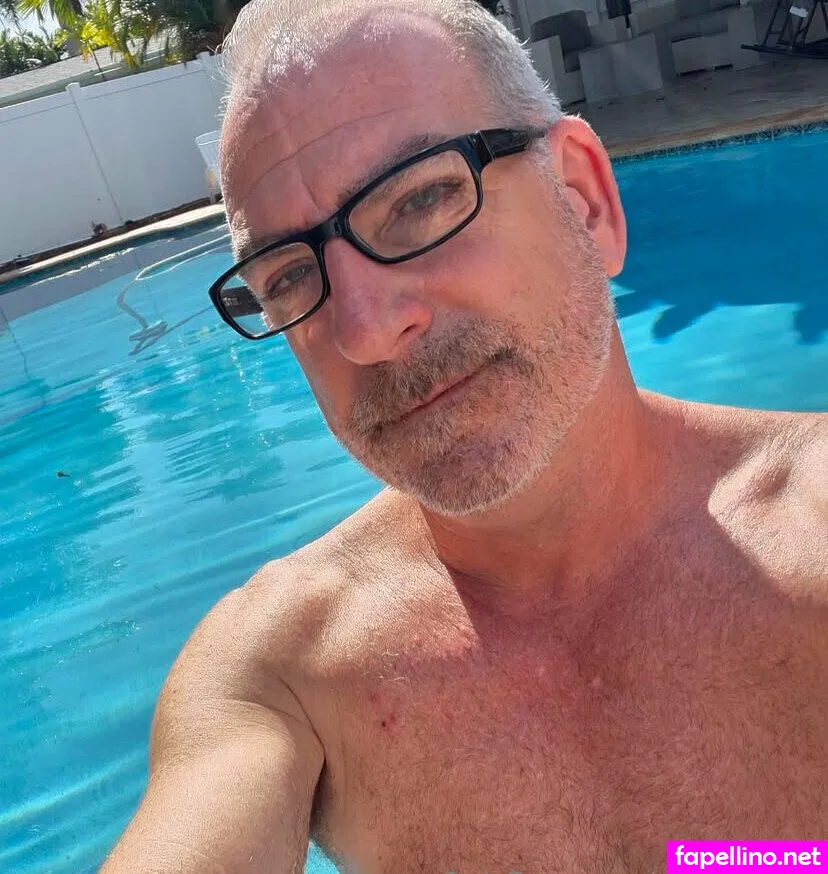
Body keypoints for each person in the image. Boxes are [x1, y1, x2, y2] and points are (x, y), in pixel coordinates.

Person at [102, 1, 828, 871]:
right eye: (289, 276)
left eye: (420, 198)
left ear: (585, 202)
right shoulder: (284, 679)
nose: (365, 332)